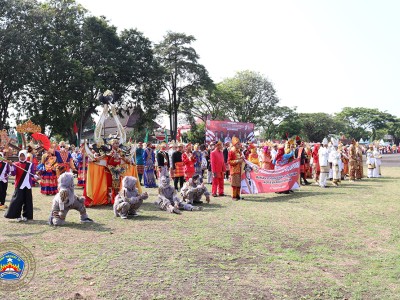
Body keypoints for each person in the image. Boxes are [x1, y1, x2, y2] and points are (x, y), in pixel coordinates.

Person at [4, 150, 40, 222]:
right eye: (21, 156)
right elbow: (13, 174)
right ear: (19, 156)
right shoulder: (16, 164)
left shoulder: (30, 164)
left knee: (28, 201)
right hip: (19, 185)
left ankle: (26, 215)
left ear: (26, 156)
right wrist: (11, 166)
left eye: (23, 156)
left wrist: (35, 176)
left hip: (28, 185)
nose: (22, 157)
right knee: (17, 201)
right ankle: (17, 215)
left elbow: (32, 173)